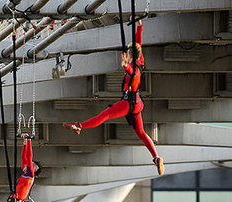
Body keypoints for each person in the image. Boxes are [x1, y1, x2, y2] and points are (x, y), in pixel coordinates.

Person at [63, 21, 164, 175]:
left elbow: (132, 73)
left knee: (105, 115)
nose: (127, 55)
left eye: (128, 53)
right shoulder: (140, 61)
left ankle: (79, 126)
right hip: (136, 103)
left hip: (128, 103)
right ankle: (156, 157)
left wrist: (125, 66)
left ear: (131, 55)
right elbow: (138, 43)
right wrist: (139, 26)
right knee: (141, 132)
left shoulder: (134, 68)